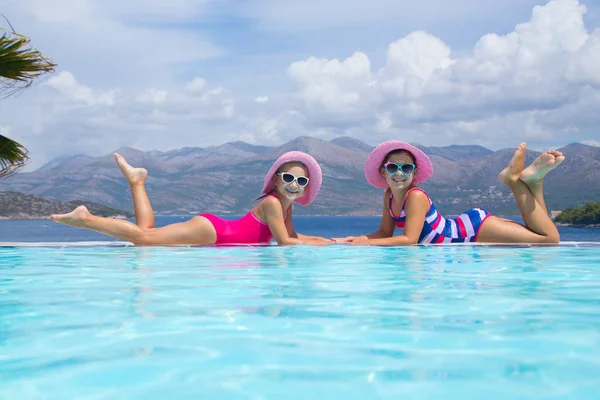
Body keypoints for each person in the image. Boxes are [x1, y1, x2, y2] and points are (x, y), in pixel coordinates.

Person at [51, 151, 332, 246]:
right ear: (275, 180)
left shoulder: (286, 207)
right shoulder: (272, 203)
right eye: (288, 178)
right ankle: (86, 219)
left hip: (216, 232)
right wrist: (324, 244)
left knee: (147, 236)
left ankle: (137, 182)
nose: (294, 185)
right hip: (215, 232)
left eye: (301, 181)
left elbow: (295, 237)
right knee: (143, 239)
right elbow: (285, 243)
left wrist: (330, 241)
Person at [333, 141, 563, 245]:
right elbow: (385, 231)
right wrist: (356, 239)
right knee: (539, 231)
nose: (399, 173)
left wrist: (367, 244)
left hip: (471, 231)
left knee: (549, 239)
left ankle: (513, 181)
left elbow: (410, 240)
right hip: (464, 227)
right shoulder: (389, 196)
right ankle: (535, 181)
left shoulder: (416, 196)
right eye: (393, 167)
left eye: (406, 168)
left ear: (414, 173)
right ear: (384, 172)